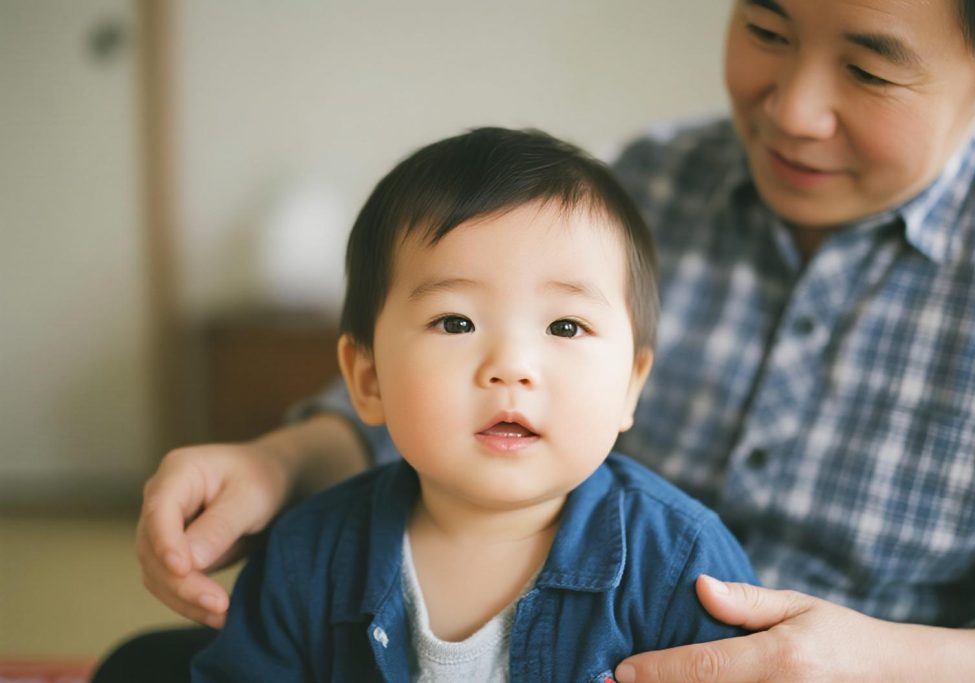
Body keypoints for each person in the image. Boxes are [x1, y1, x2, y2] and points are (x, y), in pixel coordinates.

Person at [126, 0, 975, 681]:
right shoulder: (642, 187)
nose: (793, 109)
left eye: (869, 72)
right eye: (767, 30)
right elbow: (419, 373)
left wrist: (880, 659)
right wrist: (280, 464)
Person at [188, 127, 758, 681]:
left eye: (565, 325)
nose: (511, 365)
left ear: (631, 386)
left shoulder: (682, 562)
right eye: (455, 322)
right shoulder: (305, 558)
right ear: (368, 380)